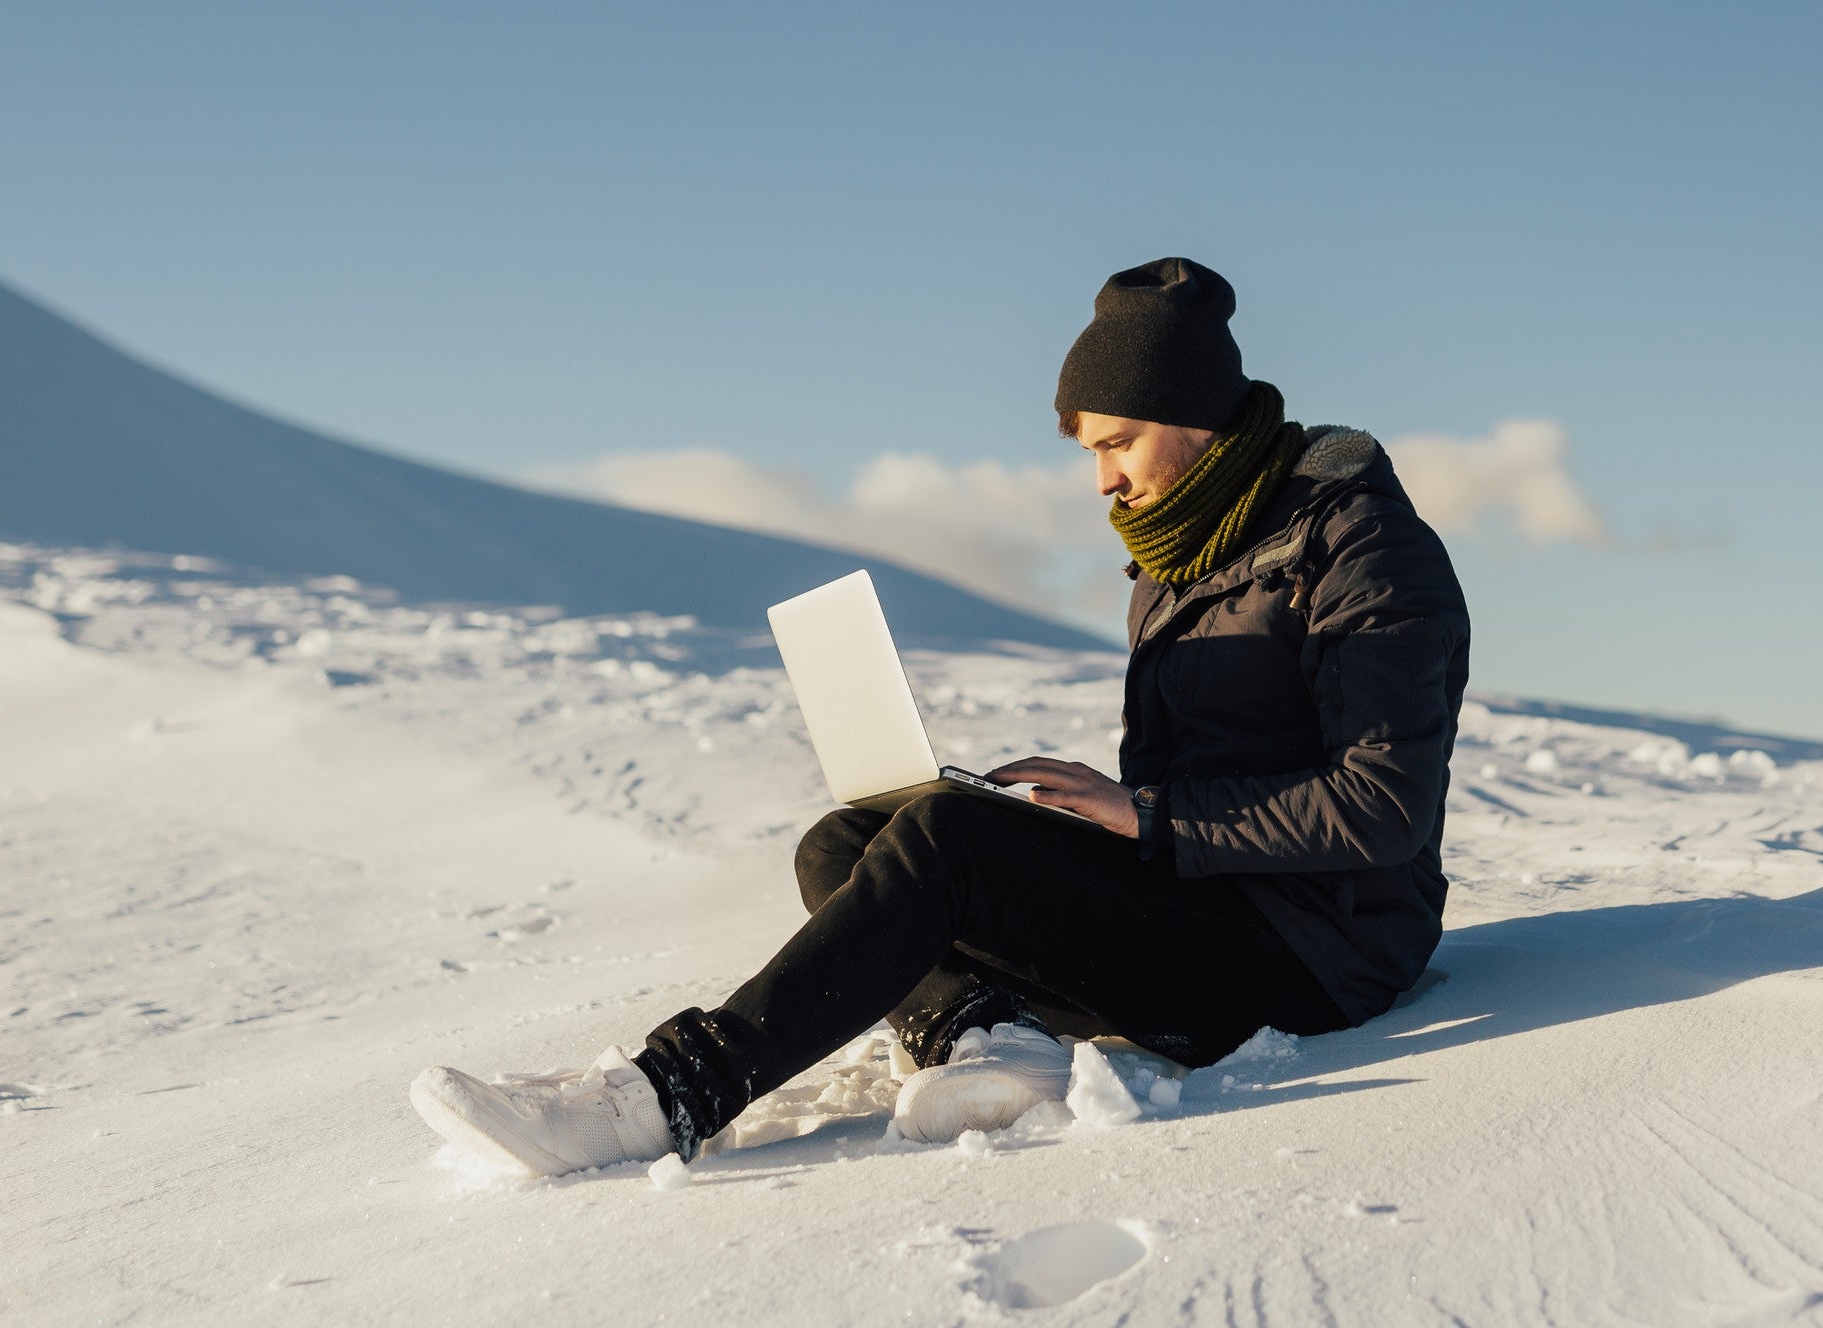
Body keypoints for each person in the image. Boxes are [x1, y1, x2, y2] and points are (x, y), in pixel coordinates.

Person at [407, 257, 1471, 1177]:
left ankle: (670, 1093)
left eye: (1119, 443)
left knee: (950, 843)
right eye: (1088, 451)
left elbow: (1380, 808)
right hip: (1202, 898)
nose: (1101, 479)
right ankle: (988, 1042)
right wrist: (1096, 814)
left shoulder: (1364, 553)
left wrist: (1142, 815)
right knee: (855, 834)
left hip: (1315, 955)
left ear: (1192, 416)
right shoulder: (1180, 553)